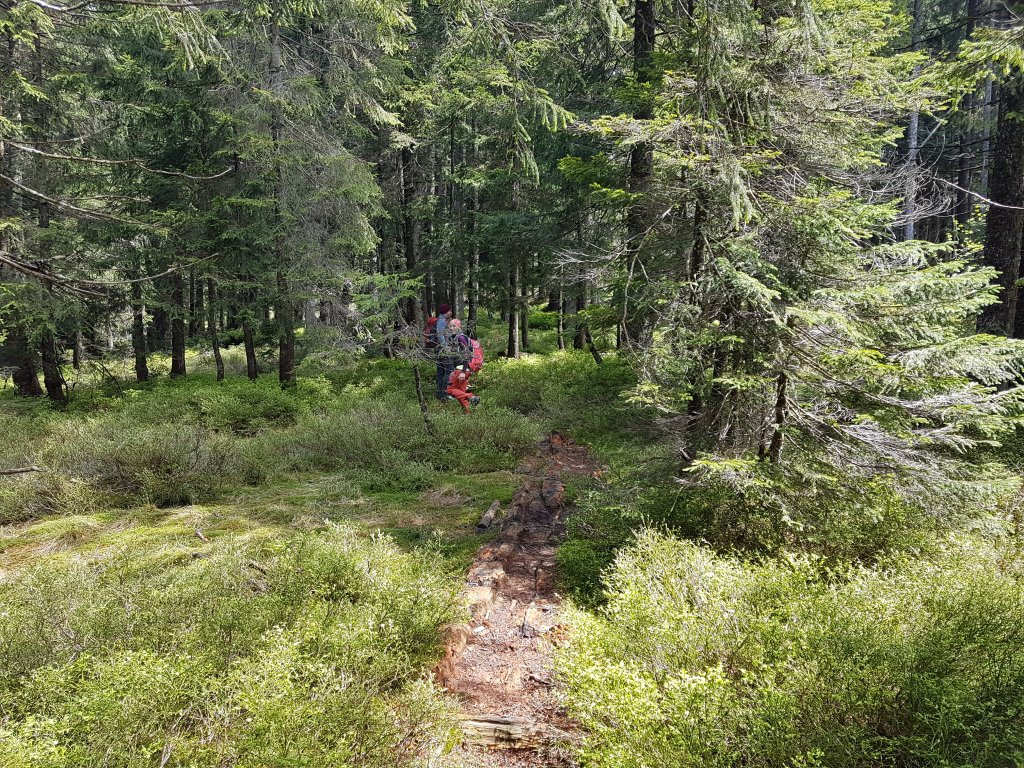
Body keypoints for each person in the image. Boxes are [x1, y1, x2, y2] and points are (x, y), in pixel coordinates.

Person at [433, 303, 455, 401]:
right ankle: (445, 393)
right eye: (449, 311)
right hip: (443, 351)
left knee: (440, 371)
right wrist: (446, 348)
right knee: (449, 370)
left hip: (439, 350)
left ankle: (439, 394)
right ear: (446, 311)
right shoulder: (441, 321)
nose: (451, 312)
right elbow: (440, 335)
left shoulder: (441, 320)